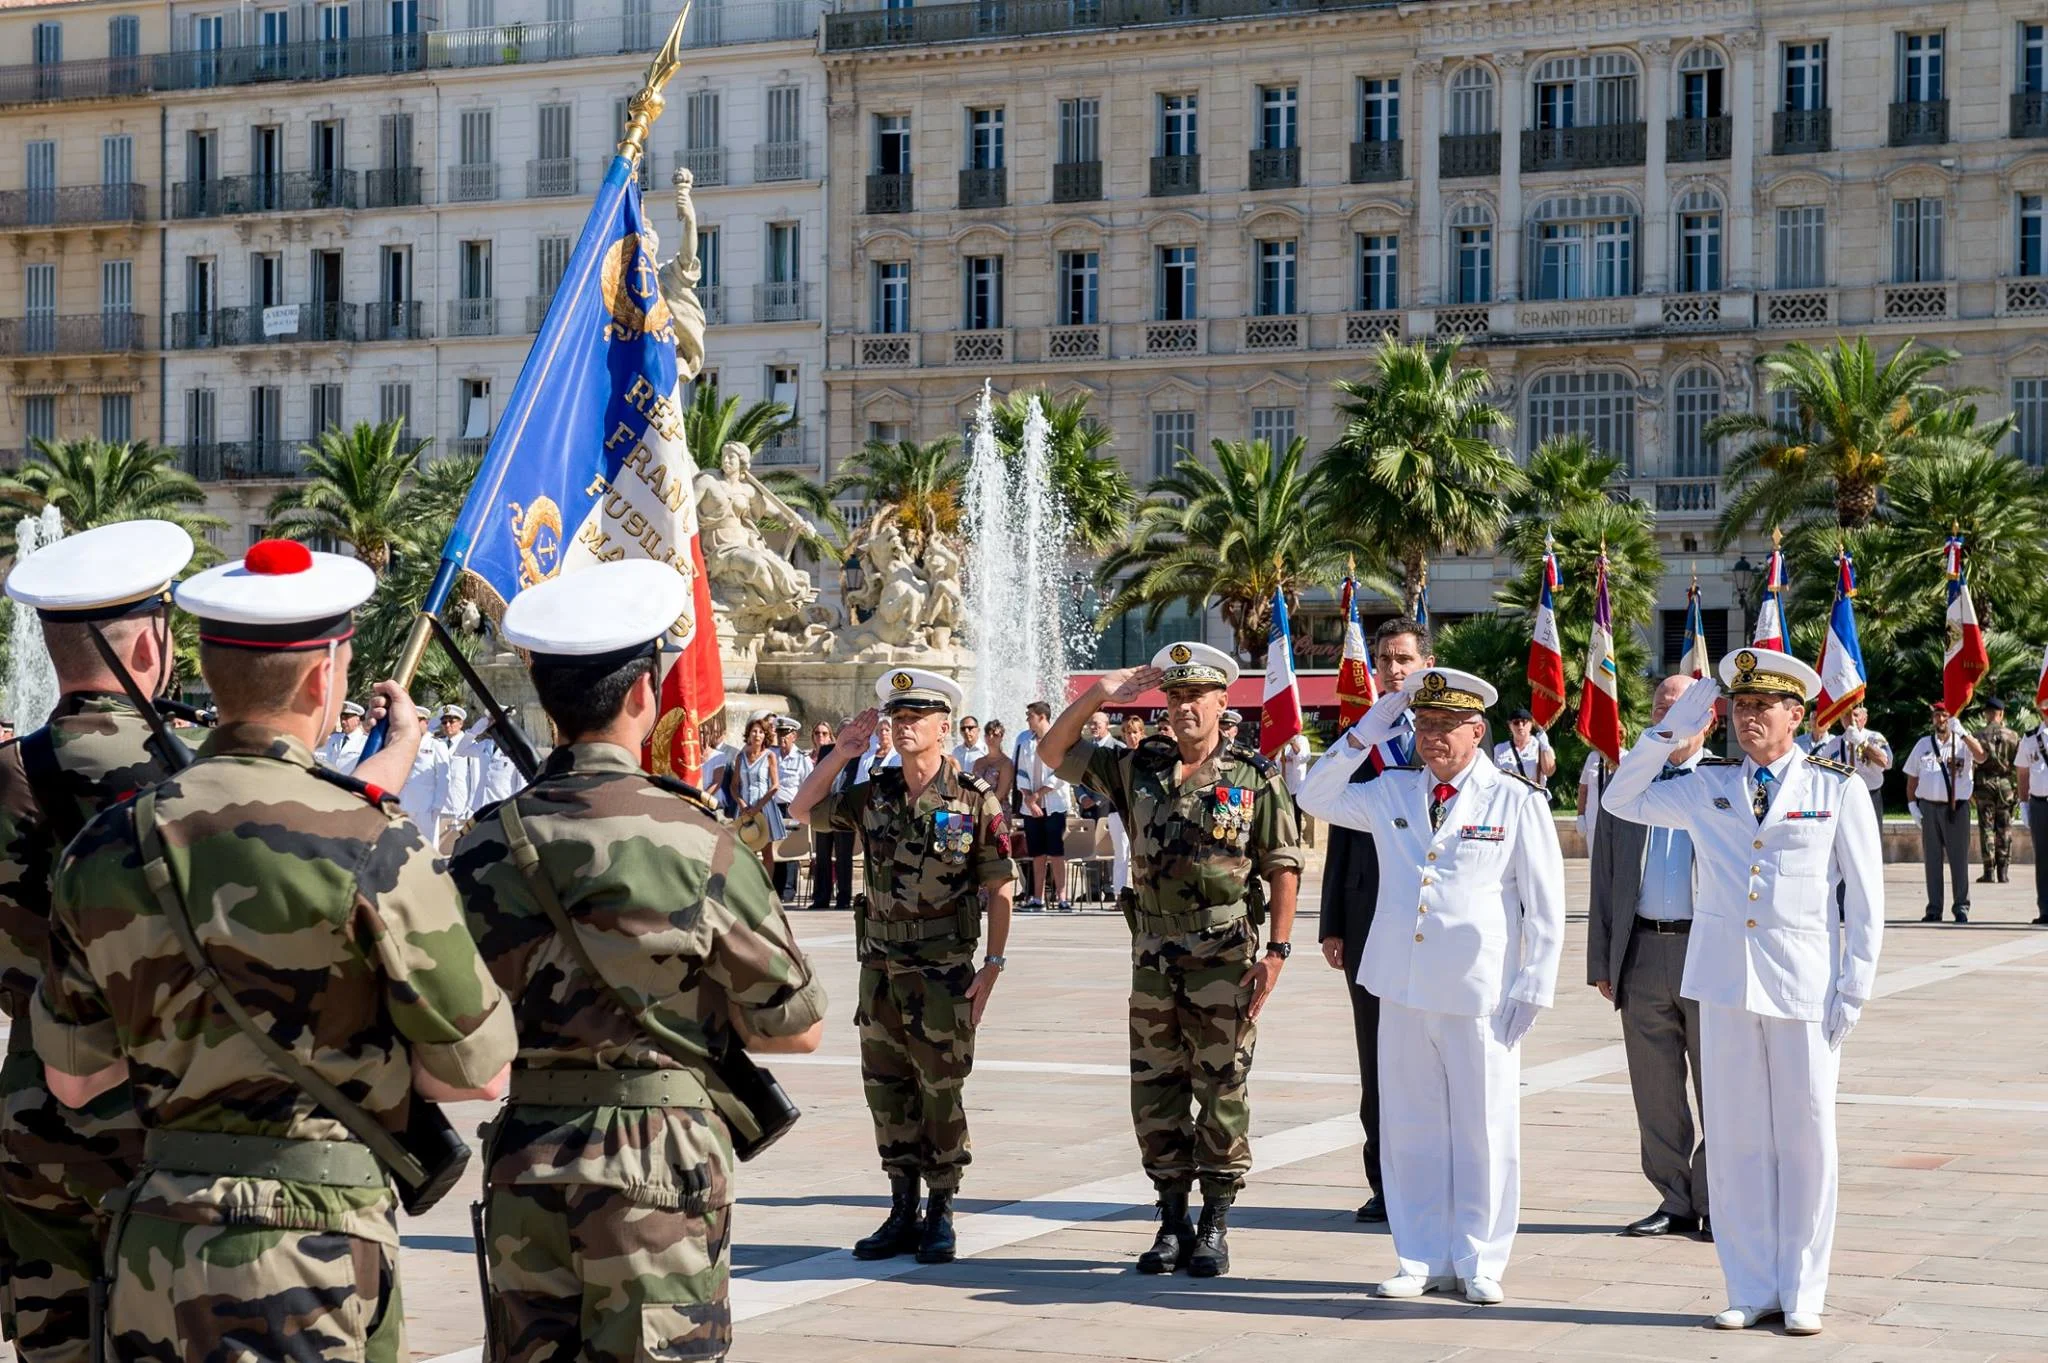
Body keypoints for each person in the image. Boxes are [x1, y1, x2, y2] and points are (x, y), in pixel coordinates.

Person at [35, 538, 512, 1359]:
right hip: (312, 1246)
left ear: (208, 668)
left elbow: (77, 1079)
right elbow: (476, 1071)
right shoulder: (376, 839)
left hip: (158, 1246)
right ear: (325, 676)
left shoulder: (108, 843)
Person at [449, 560, 826, 1363]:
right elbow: (796, 1025)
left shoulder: (484, 842)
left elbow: (451, 1022)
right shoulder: (696, 838)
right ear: (641, 695)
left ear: (548, 701)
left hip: (527, 1156)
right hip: (659, 1159)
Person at [1602, 647, 1883, 1335]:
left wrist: (1854, 985)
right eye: (1742, 705)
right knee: (1735, 1141)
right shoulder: (1708, 785)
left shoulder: (1834, 788)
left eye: (1765, 706)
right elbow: (1621, 797)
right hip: (1725, 983)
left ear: (1797, 715)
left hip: (1802, 987)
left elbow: (1865, 901)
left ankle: (1803, 1286)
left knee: (1807, 1138)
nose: (1750, 717)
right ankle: (1750, 1283)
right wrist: (1673, 727)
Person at [0, 520, 201, 1363]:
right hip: (168, 1122)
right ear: (152, 641)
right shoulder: (194, 782)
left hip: (34, 1120)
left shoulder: (10, 774)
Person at [1299, 667, 1564, 1306]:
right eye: (1424, 724)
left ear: (1479, 731)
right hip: (1403, 983)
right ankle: (1418, 1255)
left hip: (1480, 991)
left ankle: (1480, 1258)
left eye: (1448, 726)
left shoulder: (1515, 799)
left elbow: (1545, 903)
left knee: (1484, 1126)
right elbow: (1313, 794)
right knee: (1411, 1126)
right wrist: (1369, 726)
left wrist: (1535, 982)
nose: (1433, 737)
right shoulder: (1390, 790)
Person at [1040, 642, 1303, 1280]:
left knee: (1220, 1086)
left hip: (1224, 956)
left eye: (1197, 697)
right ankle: (1171, 1216)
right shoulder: (1138, 769)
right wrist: (1101, 691)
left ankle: (1215, 1220)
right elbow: (1053, 753)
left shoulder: (1253, 775)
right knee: (1155, 1089)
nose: (1184, 708)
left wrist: (1278, 952)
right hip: (1154, 955)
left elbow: (1283, 863)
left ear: (1222, 703)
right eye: (1175, 696)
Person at [790, 670, 1013, 1265]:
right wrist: (842, 753)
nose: (905, 725)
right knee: (886, 1090)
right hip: (881, 969)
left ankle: (941, 1209)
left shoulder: (972, 799)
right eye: (899, 715)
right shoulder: (876, 795)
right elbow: (800, 807)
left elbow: (1000, 888)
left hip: (942, 971)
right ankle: (901, 1206)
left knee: (941, 1089)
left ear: (945, 727)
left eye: (918, 717)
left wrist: (991, 965)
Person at [1589, 676, 1713, 1242]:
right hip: (1643, 949)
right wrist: (1603, 960)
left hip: (1706, 951)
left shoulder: (1724, 783)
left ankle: (1717, 1195)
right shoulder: (1629, 786)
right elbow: (1606, 875)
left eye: (1681, 707)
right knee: (1655, 1088)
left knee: (1721, 1085)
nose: (1668, 716)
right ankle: (1673, 1198)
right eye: (1661, 706)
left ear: (1708, 719)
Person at [1318, 617, 1430, 1224]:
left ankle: (1434, 1174)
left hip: (1432, 918)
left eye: (1404, 659)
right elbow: (1338, 830)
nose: (1392, 670)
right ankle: (1385, 1182)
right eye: (1385, 660)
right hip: (1366, 915)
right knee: (1377, 1053)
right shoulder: (1362, 739)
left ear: (1425, 662)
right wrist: (1331, 919)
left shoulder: (1452, 730)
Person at [1905, 701, 1986, 923]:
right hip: (1929, 807)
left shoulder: (1962, 743)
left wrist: (1963, 733)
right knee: (1932, 861)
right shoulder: (1923, 744)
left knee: (1958, 859)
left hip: (1955, 808)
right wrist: (1913, 806)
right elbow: (1912, 778)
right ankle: (1934, 908)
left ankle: (1961, 906)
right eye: (1937, 716)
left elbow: (1981, 756)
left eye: (1944, 716)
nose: (1940, 720)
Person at [1017, 701, 1073, 912]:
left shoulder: (1059, 740)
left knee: (1056, 852)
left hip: (1054, 804)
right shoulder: (1026, 743)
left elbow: (1061, 773)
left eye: (1030, 715)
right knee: (1037, 852)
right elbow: (1021, 772)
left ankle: (1062, 898)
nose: (1027, 720)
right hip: (1031, 806)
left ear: (1041, 716)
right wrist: (1029, 798)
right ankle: (1037, 897)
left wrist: (1038, 795)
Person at [724, 715, 785, 868]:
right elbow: (734, 785)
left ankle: (766, 890)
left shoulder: (769, 756)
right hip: (744, 808)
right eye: (754, 731)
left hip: (764, 807)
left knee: (767, 853)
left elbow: (775, 785)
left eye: (761, 732)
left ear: (765, 736)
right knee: (745, 851)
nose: (757, 735)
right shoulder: (740, 757)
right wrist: (742, 804)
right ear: (748, 734)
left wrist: (758, 807)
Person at [808, 719, 854, 913]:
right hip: (824, 807)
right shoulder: (827, 751)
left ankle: (844, 898)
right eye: (841, 731)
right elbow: (819, 777)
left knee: (844, 856)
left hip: (844, 809)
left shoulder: (858, 753)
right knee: (822, 854)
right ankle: (821, 897)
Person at [1975, 697, 2021, 886]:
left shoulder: (1978, 736)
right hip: (2005, 784)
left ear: (1986, 713)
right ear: (2001, 714)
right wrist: (2018, 788)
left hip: (1984, 784)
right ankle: (2003, 872)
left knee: (1986, 828)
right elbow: (2019, 765)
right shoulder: (2013, 736)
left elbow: (1973, 764)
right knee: (2005, 828)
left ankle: (1988, 871)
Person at [771, 716, 812, 901]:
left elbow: (808, 784)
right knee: (775, 847)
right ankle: (776, 887)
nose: (782, 738)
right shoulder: (772, 755)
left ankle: (788, 890)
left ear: (794, 736)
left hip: (791, 807)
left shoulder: (801, 758)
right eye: (779, 734)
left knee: (791, 848)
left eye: (786, 734)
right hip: (774, 807)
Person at [2023, 713, 2048, 925]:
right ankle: (2045, 909)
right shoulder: (2030, 738)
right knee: (2043, 858)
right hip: (2039, 804)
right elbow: (2022, 772)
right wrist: (2023, 804)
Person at [1491, 708, 1556, 789]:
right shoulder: (1499, 749)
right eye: (1516, 722)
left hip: (1532, 797)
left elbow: (1549, 771)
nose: (1520, 726)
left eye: (1524, 722)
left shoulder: (1540, 747)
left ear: (1531, 724)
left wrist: (1544, 745)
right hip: (1508, 797)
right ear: (1510, 725)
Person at [970, 719, 1015, 807]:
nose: (991, 737)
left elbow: (1001, 793)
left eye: (995, 735)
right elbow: (972, 788)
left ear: (1001, 737)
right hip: (978, 809)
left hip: (998, 811)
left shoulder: (1006, 763)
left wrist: (983, 808)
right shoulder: (978, 762)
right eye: (988, 734)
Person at [317, 699, 368, 773]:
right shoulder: (334, 738)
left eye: (347, 717)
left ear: (357, 719)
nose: (343, 721)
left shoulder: (365, 742)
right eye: (342, 717)